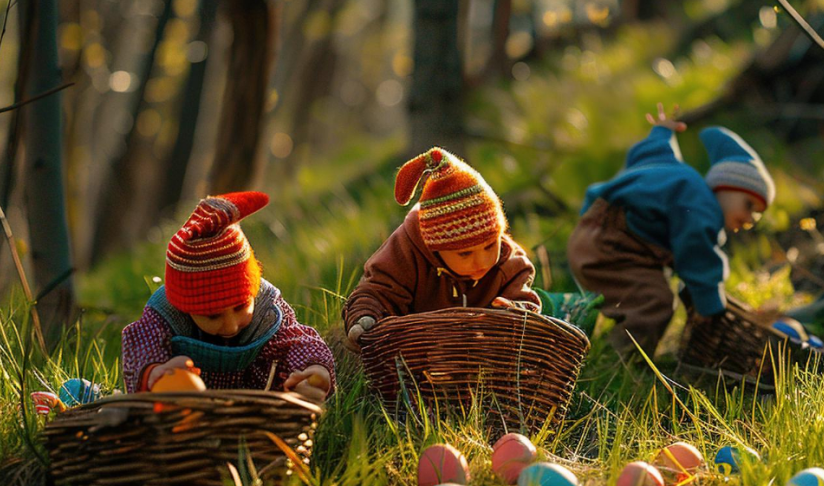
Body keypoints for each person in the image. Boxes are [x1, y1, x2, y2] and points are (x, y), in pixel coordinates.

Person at [567, 105, 775, 356]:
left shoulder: (680, 182)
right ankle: (622, 359)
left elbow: (653, 154)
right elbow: (699, 259)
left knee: (643, 293)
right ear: (724, 185)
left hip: (591, 235)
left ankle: (605, 343)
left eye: (757, 215)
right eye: (749, 205)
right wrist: (711, 308)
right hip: (610, 247)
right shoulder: (701, 206)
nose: (750, 219)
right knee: (655, 301)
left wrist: (662, 133)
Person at [121, 191, 335, 402]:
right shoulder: (165, 315)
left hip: (258, 406)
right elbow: (142, 347)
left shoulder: (267, 308)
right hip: (189, 408)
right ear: (184, 307)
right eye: (213, 316)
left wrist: (314, 370)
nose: (231, 326)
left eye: (241, 306)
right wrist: (156, 373)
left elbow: (297, 341)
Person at [344, 147, 540, 346]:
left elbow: (525, 301)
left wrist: (516, 311)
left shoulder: (509, 264)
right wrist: (365, 317)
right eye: (465, 253)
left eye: (490, 246)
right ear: (435, 248)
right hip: (417, 348)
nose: (482, 261)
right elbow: (378, 291)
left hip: (481, 352)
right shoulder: (407, 251)